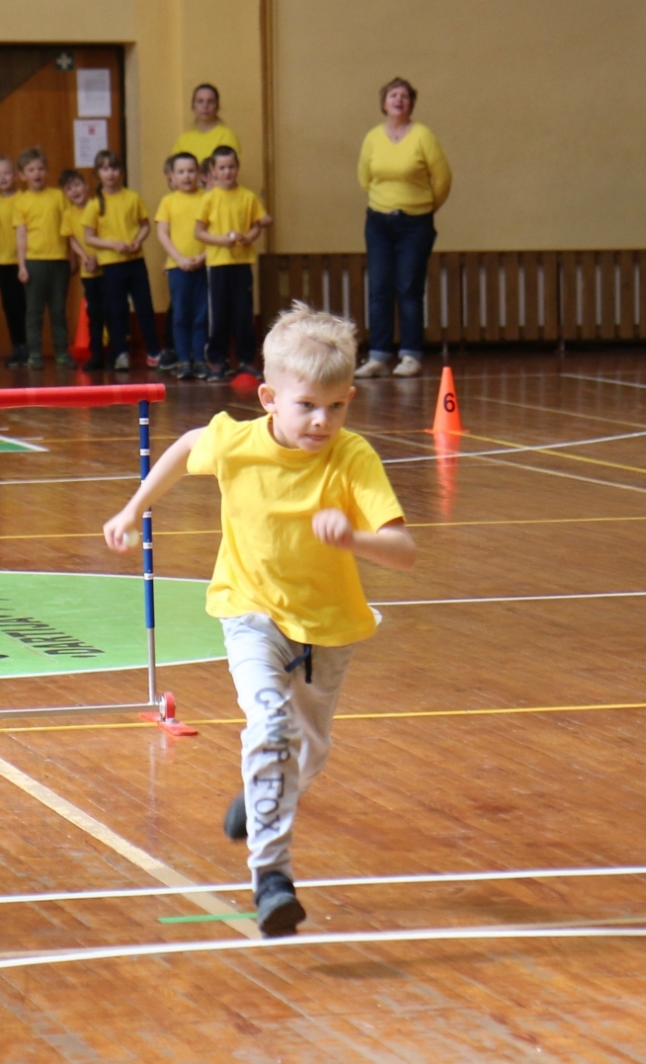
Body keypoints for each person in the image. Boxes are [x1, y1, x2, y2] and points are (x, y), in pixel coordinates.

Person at [102, 302, 415, 937]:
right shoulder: (237, 443)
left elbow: (405, 551)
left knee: (305, 757)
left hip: (328, 629)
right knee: (268, 721)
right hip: (250, 614)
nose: (322, 420)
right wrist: (134, 508)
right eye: (307, 406)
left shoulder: (353, 458)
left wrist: (355, 538)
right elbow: (186, 446)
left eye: (336, 406)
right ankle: (271, 880)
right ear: (270, 398)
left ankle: (262, 790)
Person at [354, 77, 451, 379]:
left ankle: (410, 355)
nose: (399, 100)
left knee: (409, 288)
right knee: (379, 288)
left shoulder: (423, 136)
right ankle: (379, 355)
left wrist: (423, 207)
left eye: (405, 96)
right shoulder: (372, 137)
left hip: (415, 223)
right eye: (393, 96)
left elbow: (443, 179)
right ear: (384, 103)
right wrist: (384, 202)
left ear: (411, 103)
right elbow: (364, 178)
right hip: (379, 221)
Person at [195, 146, 271, 381]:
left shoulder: (248, 197)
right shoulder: (208, 199)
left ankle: (246, 360)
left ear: (237, 168)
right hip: (218, 265)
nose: (227, 172)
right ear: (213, 171)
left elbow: (260, 222)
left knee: (243, 315)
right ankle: (217, 361)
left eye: (231, 167)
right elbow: (199, 232)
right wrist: (220, 241)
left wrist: (249, 237)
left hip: (242, 263)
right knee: (218, 315)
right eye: (222, 168)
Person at [83, 149, 161, 373]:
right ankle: (120, 353)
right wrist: (113, 245)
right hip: (111, 264)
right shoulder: (95, 203)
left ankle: (154, 352)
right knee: (116, 310)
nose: (111, 173)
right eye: (105, 169)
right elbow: (89, 236)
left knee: (144, 306)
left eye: (114, 168)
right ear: (98, 174)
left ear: (122, 172)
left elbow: (145, 225)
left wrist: (136, 241)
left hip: (135, 261)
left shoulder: (132, 197)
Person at [13, 148, 71, 371]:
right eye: (31, 170)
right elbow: (20, 234)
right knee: (34, 311)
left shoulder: (58, 196)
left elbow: (68, 229)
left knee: (58, 310)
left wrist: (72, 258)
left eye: (40, 169)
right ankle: (34, 353)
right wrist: (21, 265)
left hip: (59, 260)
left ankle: (62, 353)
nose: (36, 173)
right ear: (23, 175)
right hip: (34, 261)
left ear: (46, 171)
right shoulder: (22, 202)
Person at [155, 152, 208, 380]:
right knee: (181, 315)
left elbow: (212, 232)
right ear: (172, 177)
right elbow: (162, 233)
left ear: (198, 174)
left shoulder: (207, 198)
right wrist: (179, 259)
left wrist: (203, 257)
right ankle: (183, 359)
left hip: (203, 267)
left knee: (201, 316)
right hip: (178, 269)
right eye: (181, 172)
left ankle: (200, 359)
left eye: (191, 171)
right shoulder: (168, 202)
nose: (186, 176)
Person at [0, 157, 29, 368]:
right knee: (11, 307)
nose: (2, 178)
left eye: (7, 173)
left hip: (25, 260)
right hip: (4, 261)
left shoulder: (24, 198)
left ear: (16, 176)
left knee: (28, 306)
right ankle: (17, 346)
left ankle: (30, 347)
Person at [60, 168, 107, 370]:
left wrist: (98, 256)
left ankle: (116, 352)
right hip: (88, 269)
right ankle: (96, 353)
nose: (75, 191)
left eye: (78, 185)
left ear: (86, 186)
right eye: (69, 188)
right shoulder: (68, 214)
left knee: (112, 310)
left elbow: (105, 233)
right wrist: (86, 257)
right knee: (94, 313)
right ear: (65, 194)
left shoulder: (98, 206)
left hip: (106, 264)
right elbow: (72, 239)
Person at [172, 84, 242, 164]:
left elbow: (227, 168)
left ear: (217, 106)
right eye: (200, 101)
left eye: (210, 101)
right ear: (193, 106)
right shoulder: (183, 139)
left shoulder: (226, 135)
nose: (205, 106)